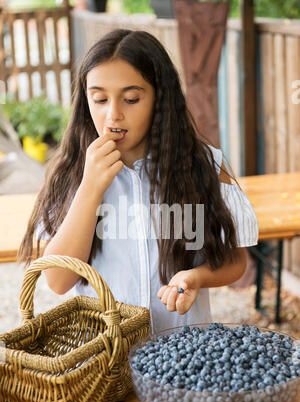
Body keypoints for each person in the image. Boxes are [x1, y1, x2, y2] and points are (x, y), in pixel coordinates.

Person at [18, 29, 258, 335]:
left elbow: (234, 261)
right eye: (100, 99)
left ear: (160, 98)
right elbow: (58, 280)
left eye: (131, 99)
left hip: (179, 353)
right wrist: (90, 188)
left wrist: (196, 277)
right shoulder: (75, 171)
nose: (113, 114)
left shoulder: (204, 166)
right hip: (105, 359)